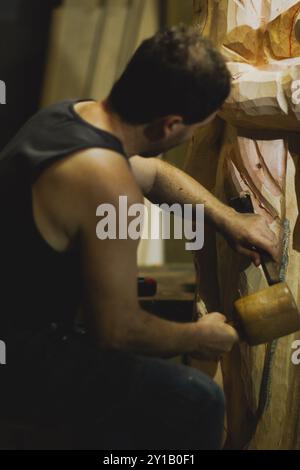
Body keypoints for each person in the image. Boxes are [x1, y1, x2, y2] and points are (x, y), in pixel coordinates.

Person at [0, 25, 279, 450]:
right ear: (170, 125)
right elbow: (115, 331)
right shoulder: (104, 182)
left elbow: (152, 173)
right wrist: (200, 336)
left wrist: (228, 219)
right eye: (193, 128)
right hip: (18, 353)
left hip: (20, 306)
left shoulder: (75, 114)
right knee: (195, 396)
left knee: (165, 271)